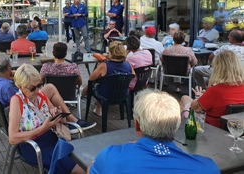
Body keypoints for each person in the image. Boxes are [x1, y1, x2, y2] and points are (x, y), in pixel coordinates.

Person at [88, 89, 219, 174]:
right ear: (177, 125)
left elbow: (91, 170)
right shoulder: (207, 168)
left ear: (137, 125)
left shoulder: (110, 157)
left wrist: (93, 165)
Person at [0, 53, 96, 131]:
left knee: (47, 89)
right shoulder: (7, 87)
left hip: (0, 119)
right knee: (50, 88)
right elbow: (24, 96)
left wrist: (15, 77)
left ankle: (70, 119)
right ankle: (73, 120)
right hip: (21, 117)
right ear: (8, 68)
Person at [8, 64, 85, 173]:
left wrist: (56, 115)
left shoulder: (40, 95)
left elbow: (62, 121)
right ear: (20, 86)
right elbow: (12, 138)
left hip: (52, 137)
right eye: (32, 88)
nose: (37, 90)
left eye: (39, 85)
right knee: (79, 168)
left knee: (84, 153)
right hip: (32, 145)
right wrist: (42, 129)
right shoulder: (17, 101)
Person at [181, 50, 244, 129]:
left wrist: (199, 97)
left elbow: (194, 107)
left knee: (185, 99)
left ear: (218, 69)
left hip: (211, 127)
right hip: (236, 127)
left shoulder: (216, 90)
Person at [89, 41, 133, 116]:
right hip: (123, 94)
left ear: (110, 52)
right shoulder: (128, 65)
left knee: (97, 85)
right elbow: (133, 75)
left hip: (106, 95)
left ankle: (99, 109)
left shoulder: (105, 65)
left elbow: (91, 78)